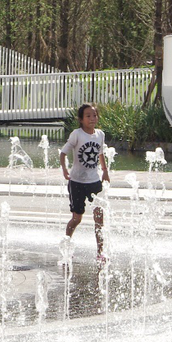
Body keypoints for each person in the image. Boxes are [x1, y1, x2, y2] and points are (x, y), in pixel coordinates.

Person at [60, 104, 111, 266]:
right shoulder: (77, 134)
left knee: (99, 219)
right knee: (77, 218)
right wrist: (64, 170)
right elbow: (63, 153)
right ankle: (67, 246)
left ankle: (100, 252)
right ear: (81, 119)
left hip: (94, 182)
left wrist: (104, 170)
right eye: (88, 116)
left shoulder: (100, 134)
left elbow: (100, 152)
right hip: (76, 182)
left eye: (94, 115)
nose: (92, 119)